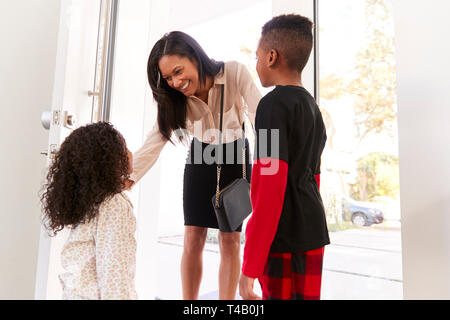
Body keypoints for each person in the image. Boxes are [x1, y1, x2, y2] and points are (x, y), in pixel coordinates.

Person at [129, 31, 261, 300]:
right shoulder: (174, 98)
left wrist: (273, 166)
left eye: (178, 71)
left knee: (230, 239)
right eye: (168, 78)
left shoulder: (234, 73)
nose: (176, 82)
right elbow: (155, 139)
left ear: (195, 57)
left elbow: (261, 116)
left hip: (235, 158)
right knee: (192, 237)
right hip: (201, 156)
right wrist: (127, 178)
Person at [239, 14, 329, 300]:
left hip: (282, 239)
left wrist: (249, 268)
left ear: (271, 57)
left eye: (257, 57)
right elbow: (314, 177)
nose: (256, 65)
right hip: (312, 230)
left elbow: (269, 188)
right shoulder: (313, 108)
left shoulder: (271, 107)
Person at [40, 122, 137, 300]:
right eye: (125, 148)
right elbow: (114, 271)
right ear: (112, 160)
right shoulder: (114, 205)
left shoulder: (92, 201)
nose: (131, 153)